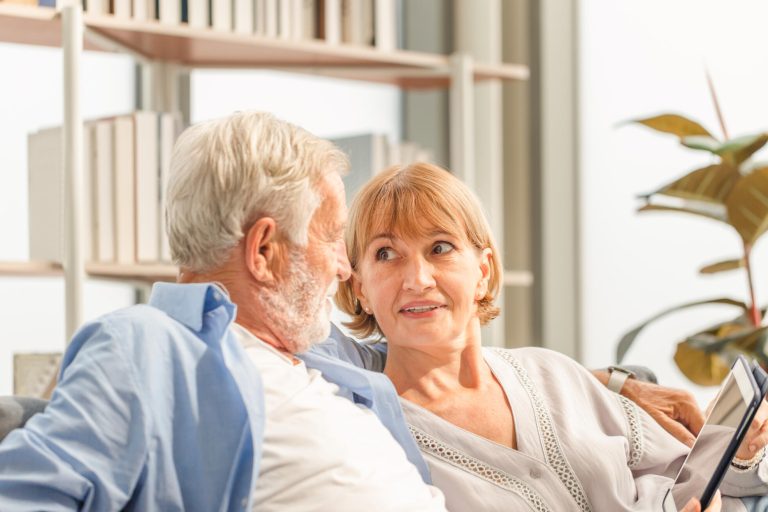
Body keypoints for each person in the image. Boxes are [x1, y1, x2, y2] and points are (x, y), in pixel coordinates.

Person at [0, 112, 445, 511]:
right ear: (264, 251)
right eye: (331, 238)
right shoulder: (147, 345)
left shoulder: (323, 357)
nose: (346, 268)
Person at [334, 162, 768, 511]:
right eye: (386, 254)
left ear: (482, 272)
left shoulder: (550, 372)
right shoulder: (371, 437)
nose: (417, 278)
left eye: (440, 248)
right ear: (360, 290)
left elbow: (696, 477)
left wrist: (742, 450)